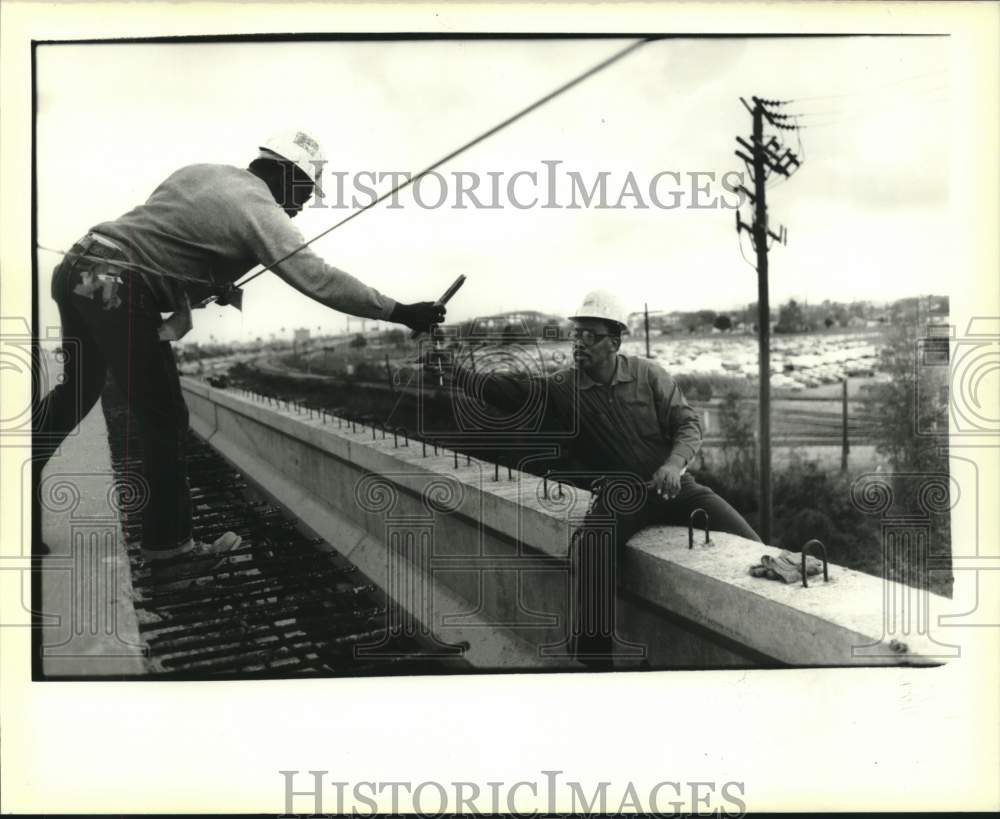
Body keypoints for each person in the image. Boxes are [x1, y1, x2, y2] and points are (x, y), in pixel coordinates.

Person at [34, 130, 445, 591]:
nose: (302, 207)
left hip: (79, 267)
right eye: (305, 193)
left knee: (77, 392)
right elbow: (319, 279)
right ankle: (171, 559)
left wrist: (207, 279)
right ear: (285, 175)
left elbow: (166, 240)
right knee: (165, 418)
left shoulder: (200, 173)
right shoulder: (260, 210)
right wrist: (400, 311)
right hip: (115, 284)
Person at [453, 289, 760, 668]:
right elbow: (510, 391)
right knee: (593, 550)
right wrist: (454, 372)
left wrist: (673, 464)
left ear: (614, 342)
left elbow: (688, 423)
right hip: (620, 498)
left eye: (591, 336)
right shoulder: (563, 386)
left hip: (675, 488)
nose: (579, 343)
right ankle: (594, 662)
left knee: (751, 545)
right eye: (576, 334)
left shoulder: (649, 375)